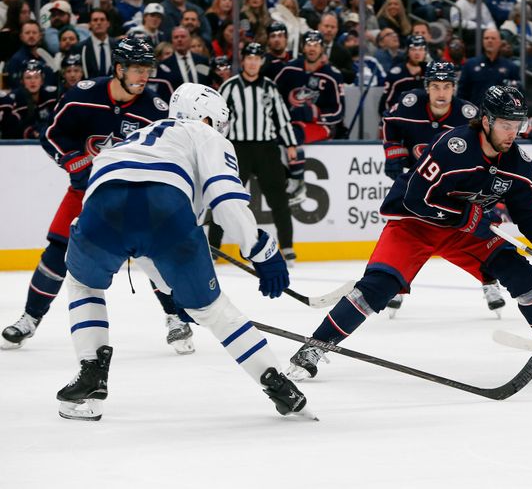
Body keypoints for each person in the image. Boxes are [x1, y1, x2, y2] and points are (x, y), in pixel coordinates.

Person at [286, 85, 532, 380]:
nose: (513, 133)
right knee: (377, 287)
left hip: (463, 230)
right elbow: (416, 198)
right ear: (486, 121)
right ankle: (313, 347)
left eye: (517, 125)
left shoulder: (518, 163)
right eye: (506, 125)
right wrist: (465, 215)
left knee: (523, 276)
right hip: (414, 223)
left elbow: (530, 213)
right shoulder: (453, 147)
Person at [55, 83, 313, 422]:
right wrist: (260, 250)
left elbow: (114, 210)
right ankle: (278, 385)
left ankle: (91, 370)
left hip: (102, 209)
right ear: (207, 117)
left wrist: (170, 287)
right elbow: (225, 200)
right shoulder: (205, 135)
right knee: (214, 309)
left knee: (83, 284)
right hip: (167, 212)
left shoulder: (133, 139)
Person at [0, 38, 192, 354]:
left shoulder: (154, 109)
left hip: (133, 197)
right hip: (85, 193)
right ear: (119, 68)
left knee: (154, 256)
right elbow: (51, 134)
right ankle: (29, 318)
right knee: (57, 253)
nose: (144, 76)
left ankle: (175, 318)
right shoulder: (84, 96)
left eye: (148, 69)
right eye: (138, 69)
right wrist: (71, 159)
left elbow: (168, 156)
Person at [381, 61, 506, 315]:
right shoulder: (409, 105)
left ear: (454, 88)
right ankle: (396, 286)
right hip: (418, 189)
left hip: (456, 190)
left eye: (447, 86)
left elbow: (490, 149)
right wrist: (394, 153)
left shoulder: (469, 115)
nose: (441, 93)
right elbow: (390, 124)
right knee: (405, 236)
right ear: (427, 87)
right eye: (435, 86)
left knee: (476, 237)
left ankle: (489, 281)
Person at [212, 42, 298, 266]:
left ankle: (287, 247)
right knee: (225, 197)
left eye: (257, 58)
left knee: (279, 199)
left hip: (266, 148)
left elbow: (281, 118)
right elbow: (218, 119)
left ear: (261, 61)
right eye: (249, 58)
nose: (252, 62)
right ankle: (213, 246)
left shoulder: (270, 87)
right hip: (238, 149)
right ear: (243, 61)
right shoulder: (229, 86)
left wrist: (290, 145)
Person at [274, 30, 344, 205]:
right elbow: (273, 96)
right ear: (303, 47)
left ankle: (298, 184)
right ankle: (285, 177)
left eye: (316, 45)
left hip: (321, 126)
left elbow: (339, 112)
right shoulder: (289, 70)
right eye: (309, 44)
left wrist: (314, 113)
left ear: (322, 48)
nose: (312, 48)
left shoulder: (332, 75)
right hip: (289, 123)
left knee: (294, 133)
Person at [378, 34, 427, 114]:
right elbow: (385, 104)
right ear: (407, 51)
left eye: (421, 49)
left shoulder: (430, 74)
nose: (417, 53)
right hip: (399, 120)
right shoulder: (396, 74)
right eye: (413, 49)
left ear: (425, 52)